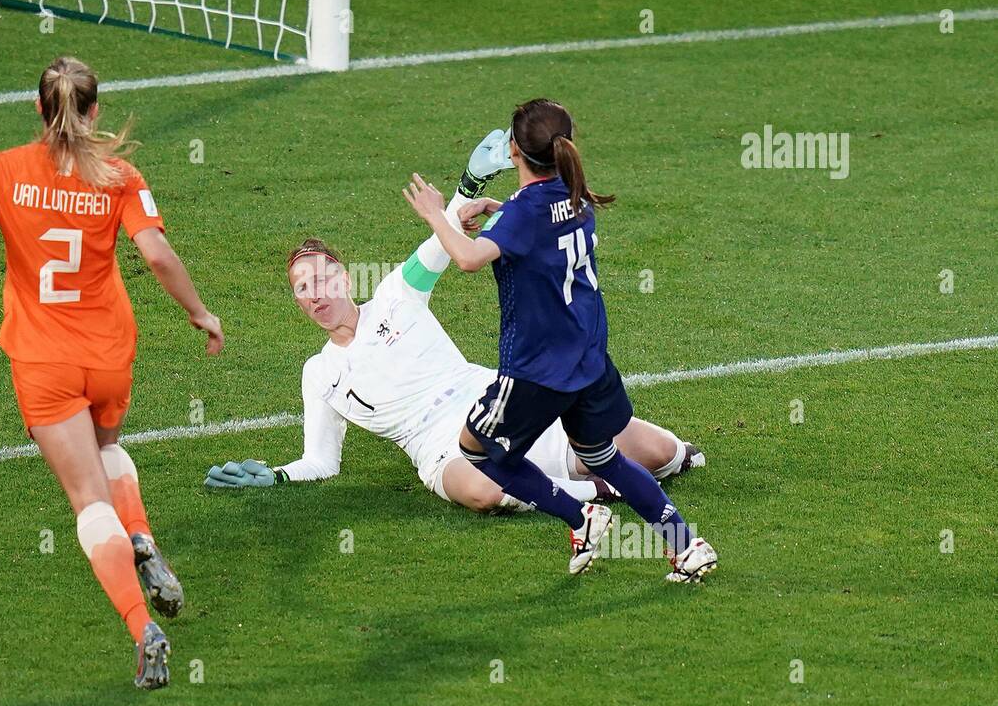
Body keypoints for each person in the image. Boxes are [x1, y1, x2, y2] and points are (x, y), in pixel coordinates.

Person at [204, 131, 704, 523]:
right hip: (438, 448)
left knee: (659, 453)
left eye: (321, 278)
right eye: (301, 288)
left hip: (498, 402)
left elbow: (441, 243)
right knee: (483, 491)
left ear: (343, 275)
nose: (314, 293)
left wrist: (471, 184)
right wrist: (277, 477)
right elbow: (321, 461)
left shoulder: (395, 296)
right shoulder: (319, 373)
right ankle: (598, 490)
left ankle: (674, 458)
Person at [0, 55, 224, 688]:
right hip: (110, 355)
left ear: (38, 109)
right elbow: (158, 253)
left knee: (88, 503)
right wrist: (200, 312)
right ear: (94, 111)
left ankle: (143, 627)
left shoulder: (3, 170)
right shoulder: (119, 175)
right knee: (108, 449)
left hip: (44, 362)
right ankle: (140, 536)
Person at [403, 99, 718, 583]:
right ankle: (686, 545)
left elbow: (468, 258)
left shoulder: (524, 216)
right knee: (603, 457)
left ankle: (581, 515)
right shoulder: (576, 195)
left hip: (537, 369)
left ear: (514, 152)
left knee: (478, 452)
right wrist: (498, 210)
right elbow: (535, 224)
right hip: (588, 357)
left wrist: (435, 215)